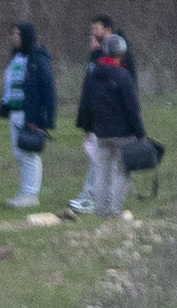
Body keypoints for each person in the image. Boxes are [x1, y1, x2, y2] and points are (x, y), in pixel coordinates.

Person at [68, 15, 134, 212]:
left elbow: (126, 87)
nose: (93, 33)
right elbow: (89, 90)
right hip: (99, 116)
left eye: (96, 28)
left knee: (104, 159)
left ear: (108, 30)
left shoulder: (119, 55)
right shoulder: (96, 56)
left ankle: (92, 197)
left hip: (112, 117)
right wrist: (86, 122)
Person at [76, 34, 144, 219]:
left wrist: (87, 128)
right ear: (121, 53)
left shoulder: (93, 74)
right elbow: (132, 106)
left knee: (101, 172)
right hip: (122, 133)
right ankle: (115, 209)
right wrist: (139, 132)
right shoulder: (123, 75)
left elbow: (86, 103)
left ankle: (101, 212)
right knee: (121, 172)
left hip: (101, 132)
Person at [1, 21, 56, 208]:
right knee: (19, 153)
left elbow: (47, 89)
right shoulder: (15, 58)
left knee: (30, 154)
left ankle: (31, 194)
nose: (13, 37)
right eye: (12, 33)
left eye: (17, 33)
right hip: (15, 112)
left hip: (29, 114)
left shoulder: (37, 59)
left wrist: (41, 118)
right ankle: (23, 191)